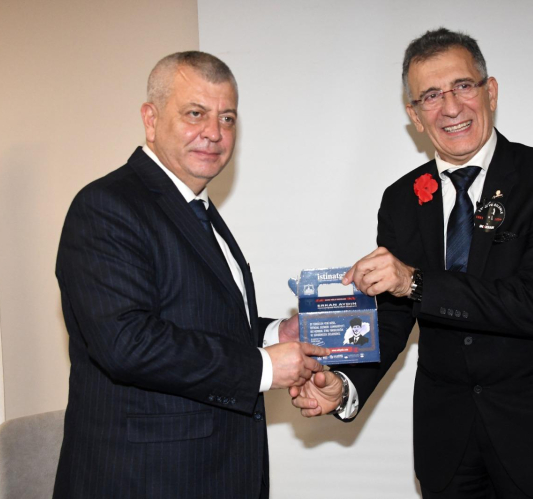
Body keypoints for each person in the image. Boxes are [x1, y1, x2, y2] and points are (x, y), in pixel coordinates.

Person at [291, 28, 533, 499]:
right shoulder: (401, 199)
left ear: (490, 92)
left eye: (463, 86)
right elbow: (393, 316)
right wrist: (345, 385)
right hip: (448, 445)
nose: (450, 107)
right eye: (431, 95)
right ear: (414, 115)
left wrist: (416, 282)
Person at [53, 51, 328, 499]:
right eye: (195, 114)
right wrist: (261, 367)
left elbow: (196, 321)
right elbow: (127, 343)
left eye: (227, 118)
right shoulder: (107, 206)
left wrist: (276, 333)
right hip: (144, 481)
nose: (214, 133)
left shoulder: (197, 208)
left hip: (212, 473)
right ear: (151, 119)